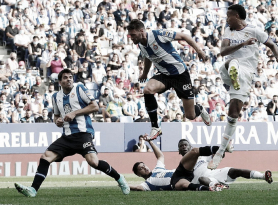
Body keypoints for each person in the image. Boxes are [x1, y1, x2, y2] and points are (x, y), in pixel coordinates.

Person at [14, 69, 130, 197]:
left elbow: (95, 106)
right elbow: (56, 116)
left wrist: (75, 113)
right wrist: (57, 121)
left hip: (83, 133)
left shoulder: (79, 88)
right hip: (67, 136)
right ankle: (33, 190)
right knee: (45, 157)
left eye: (70, 77)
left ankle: (120, 179)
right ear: (60, 82)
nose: (69, 79)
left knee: (93, 162)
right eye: (65, 77)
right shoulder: (55, 97)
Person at [208, 4, 278, 169]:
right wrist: (243, 44)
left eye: (229, 16)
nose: (226, 19)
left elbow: (271, 44)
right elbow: (222, 52)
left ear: (236, 16)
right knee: (231, 63)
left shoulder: (255, 30)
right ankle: (233, 76)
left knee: (233, 112)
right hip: (229, 69)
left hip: (247, 73)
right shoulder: (229, 31)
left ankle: (223, 148)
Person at [126, 19, 211, 141]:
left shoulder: (158, 35)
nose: (131, 38)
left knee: (190, 115)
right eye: (130, 36)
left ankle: (200, 109)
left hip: (180, 75)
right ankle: (155, 127)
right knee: (148, 90)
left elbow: (185, 36)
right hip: (164, 75)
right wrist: (144, 73)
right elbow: (148, 57)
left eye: (133, 35)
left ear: (141, 31)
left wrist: (200, 51)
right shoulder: (140, 44)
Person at [130, 137, 222, 192]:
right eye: (141, 168)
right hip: (176, 182)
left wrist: (150, 142)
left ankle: (219, 149)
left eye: (144, 165)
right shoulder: (147, 184)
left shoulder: (157, 169)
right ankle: (211, 188)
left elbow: (160, 156)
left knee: (194, 152)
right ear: (138, 174)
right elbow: (138, 187)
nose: (144, 168)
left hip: (179, 172)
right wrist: (123, 184)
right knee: (183, 185)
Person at [177, 139, 272, 188]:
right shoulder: (181, 166)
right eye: (181, 146)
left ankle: (264, 176)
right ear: (179, 151)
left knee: (235, 171)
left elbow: (217, 155)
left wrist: (221, 152)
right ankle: (219, 187)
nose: (184, 147)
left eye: (186, 145)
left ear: (191, 147)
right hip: (203, 180)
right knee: (202, 178)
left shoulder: (201, 156)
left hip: (214, 173)